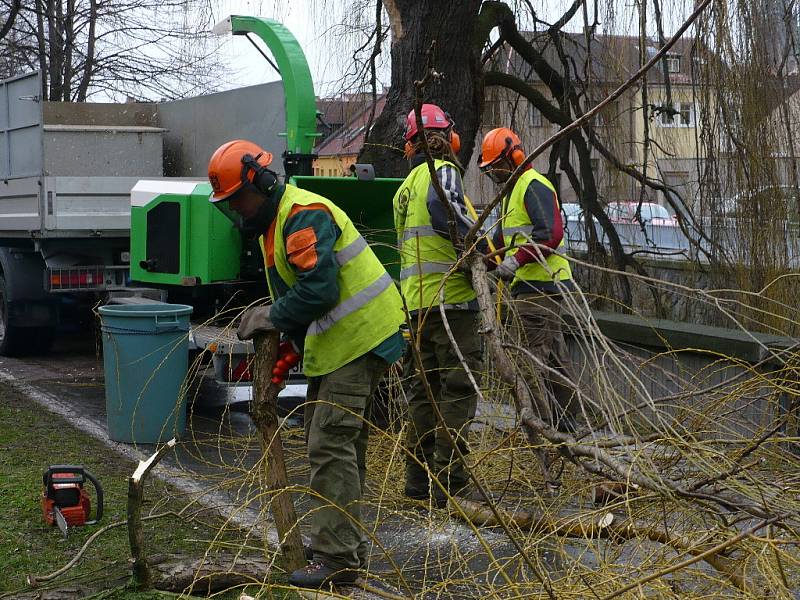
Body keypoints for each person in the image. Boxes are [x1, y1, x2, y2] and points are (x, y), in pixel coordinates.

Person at [207, 139, 405, 588]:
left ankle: (338, 558)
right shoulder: (276, 223)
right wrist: (294, 345)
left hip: (362, 338)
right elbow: (309, 298)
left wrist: (268, 317)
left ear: (260, 182)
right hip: (342, 342)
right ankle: (343, 545)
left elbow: (319, 292)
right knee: (338, 443)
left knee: (329, 444)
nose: (236, 210)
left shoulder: (300, 215)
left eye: (237, 198)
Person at [393, 104, 486, 506]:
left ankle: (417, 483)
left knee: (423, 394)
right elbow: (446, 213)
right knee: (457, 390)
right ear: (448, 139)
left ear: (409, 145)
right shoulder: (442, 171)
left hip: (418, 307)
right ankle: (451, 483)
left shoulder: (403, 189)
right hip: (452, 304)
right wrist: (485, 253)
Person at [477, 127, 581, 432]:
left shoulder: (533, 185)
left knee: (529, 361)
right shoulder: (514, 193)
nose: (494, 173)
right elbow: (499, 244)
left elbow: (550, 233)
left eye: (496, 166)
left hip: (539, 286)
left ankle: (541, 427)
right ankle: (567, 424)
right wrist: (477, 259)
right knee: (553, 359)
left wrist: (515, 261)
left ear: (514, 157)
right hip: (533, 287)